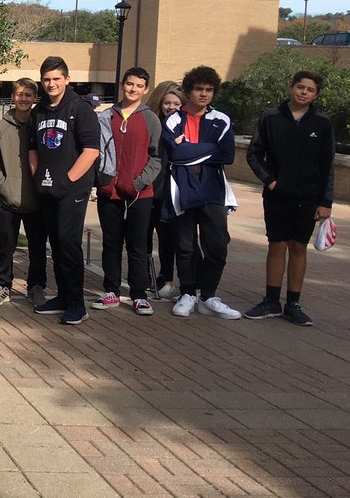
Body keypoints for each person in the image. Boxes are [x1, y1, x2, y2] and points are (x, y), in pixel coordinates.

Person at [243, 70, 335, 327]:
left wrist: (326, 201)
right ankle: (271, 301)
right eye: (300, 87)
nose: (304, 92)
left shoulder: (322, 123)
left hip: (308, 196)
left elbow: (328, 163)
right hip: (277, 196)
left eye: (310, 90)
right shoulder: (270, 117)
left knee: (298, 247)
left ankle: (293, 303)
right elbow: (253, 154)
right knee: (277, 245)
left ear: (316, 95)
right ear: (291, 87)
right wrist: (271, 181)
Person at [162, 65, 241, 320]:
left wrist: (190, 149)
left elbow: (227, 155)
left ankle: (209, 295)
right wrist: (208, 149)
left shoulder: (222, 119)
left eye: (209, 90)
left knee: (217, 245)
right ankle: (188, 293)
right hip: (182, 189)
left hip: (212, 189)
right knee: (185, 246)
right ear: (187, 91)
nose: (204, 94)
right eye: (198, 89)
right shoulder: (173, 119)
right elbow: (175, 154)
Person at [29, 57, 100, 326]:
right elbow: (32, 148)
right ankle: (62, 296)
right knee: (56, 245)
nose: (51, 84)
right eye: (47, 79)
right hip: (47, 189)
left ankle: (77, 304)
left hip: (73, 190)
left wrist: (66, 181)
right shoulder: (39, 111)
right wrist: (38, 177)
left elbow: (91, 152)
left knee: (69, 244)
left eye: (56, 79)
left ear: (67, 80)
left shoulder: (81, 109)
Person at [92, 67, 162, 316]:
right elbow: (95, 151)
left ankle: (139, 295)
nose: (133, 89)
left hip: (139, 194)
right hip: (109, 191)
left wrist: (138, 183)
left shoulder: (150, 119)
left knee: (138, 245)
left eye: (139, 86)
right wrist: (101, 180)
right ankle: (110, 290)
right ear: (122, 85)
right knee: (111, 243)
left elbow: (156, 158)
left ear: (146, 89)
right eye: (129, 84)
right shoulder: (105, 116)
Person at [0, 78, 48, 307]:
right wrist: (2, 185)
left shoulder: (41, 123)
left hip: (36, 199)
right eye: (19, 94)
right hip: (7, 198)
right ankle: (2, 285)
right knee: (5, 246)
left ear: (34, 98)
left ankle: (36, 286)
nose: (23, 99)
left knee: (37, 247)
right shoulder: (1, 127)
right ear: (13, 97)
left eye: (28, 95)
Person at [146, 81, 184, 300]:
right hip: (149, 188)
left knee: (168, 239)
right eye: (167, 102)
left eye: (177, 103)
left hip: (172, 193)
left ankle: (166, 277)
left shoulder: (182, 126)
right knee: (143, 238)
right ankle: (144, 277)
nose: (171, 107)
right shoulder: (152, 123)